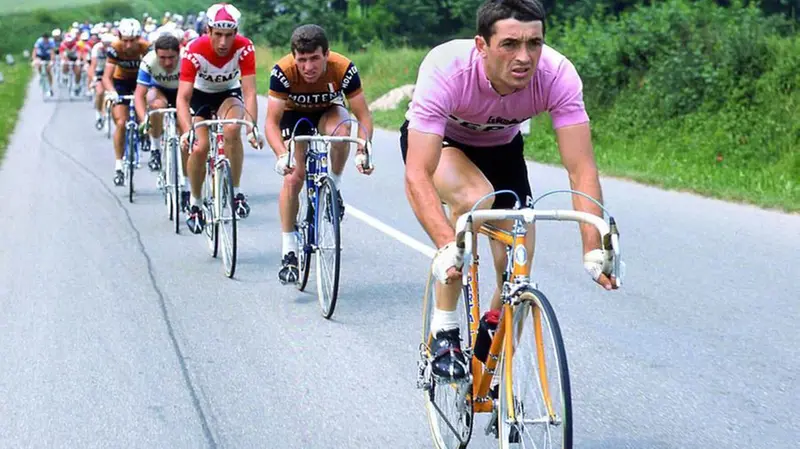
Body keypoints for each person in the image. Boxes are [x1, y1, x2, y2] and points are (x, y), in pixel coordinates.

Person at [402, 0, 618, 381]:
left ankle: (492, 343)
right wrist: (443, 245)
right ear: (481, 45)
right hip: (444, 145)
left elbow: (581, 167)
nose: (525, 57)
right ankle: (445, 328)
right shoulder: (447, 69)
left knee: (518, 260)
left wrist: (592, 245)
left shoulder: (557, 75)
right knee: (475, 200)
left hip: (502, 149)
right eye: (510, 44)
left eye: (534, 43)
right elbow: (419, 173)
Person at [266, 24, 374, 284]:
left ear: (326, 54)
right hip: (293, 116)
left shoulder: (343, 68)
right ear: (294, 57)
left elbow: (363, 116)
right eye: (301, 60)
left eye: (314, 58)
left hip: (328, 110)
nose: (308, 67)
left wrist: (363, 148)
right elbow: (270, 122)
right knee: (294, 177)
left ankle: (333, 187)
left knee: (341, 132)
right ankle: (289, 249)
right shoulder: (283, 72)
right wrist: (282, 155)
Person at [177, 2, 263, 234]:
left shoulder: (244, 48)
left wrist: (251, 127)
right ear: (208, 31)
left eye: (229, 35)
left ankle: (235, 192)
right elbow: (183, 98)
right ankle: (195, 203)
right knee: (199, 146)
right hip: (199, 97)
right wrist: (187, 131)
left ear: (236, 33)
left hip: (228, 94)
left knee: (233, 129)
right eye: (218, 35)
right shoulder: (194, 49)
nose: (223, 43)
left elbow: (250, 92)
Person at [102, 18, 150, 186]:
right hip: (121, 82)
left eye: (132, 41)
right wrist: (112, 92)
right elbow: (107, 77)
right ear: (120, 37)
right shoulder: (115, 48)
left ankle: (144, 132)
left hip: (140, 82)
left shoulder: (146, 47)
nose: (129, 45)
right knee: (121, 123)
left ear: (139, 38)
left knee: (144, 112)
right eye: (125, 41)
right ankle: (119, 165)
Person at [134, 34, 183, 179]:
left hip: (182, 91)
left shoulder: (187, 59)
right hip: (160, 90)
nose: (167, 63)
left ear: (179, 54)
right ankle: (155, 148)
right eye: (162, 58)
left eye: (171, 58)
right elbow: (139, 95)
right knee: (156, 106)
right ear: (156, 54)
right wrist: (144, 120)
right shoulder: (148, 61)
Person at [88, 33, 116, 127]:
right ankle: (99, 112)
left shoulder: (115, 49)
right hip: (100, 70)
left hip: (112, 71)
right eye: (105, 44)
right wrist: (93, 78)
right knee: (100, 92)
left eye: (109, 44)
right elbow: (93, 65)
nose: (107, 46)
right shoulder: (97, 48)